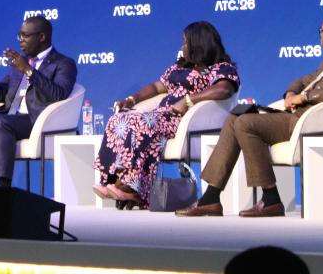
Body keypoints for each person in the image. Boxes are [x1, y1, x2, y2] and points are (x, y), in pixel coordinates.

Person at [178, 11, 323, 217]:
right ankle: (211, 198)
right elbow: (304, 80)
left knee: (245, 123)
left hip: (311, 122)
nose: (320, 35)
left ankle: (271, 199)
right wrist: (291, 93)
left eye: (322, 31)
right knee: (235, 117)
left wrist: (304, 97)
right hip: (296, 117)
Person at [93, 21, 239, 209]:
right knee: (118, 119)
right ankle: (113, 180)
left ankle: (130, 186)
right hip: (161, 115)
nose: (182, 47)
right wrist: (132, 99)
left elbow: (224, 89)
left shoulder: (221, 68)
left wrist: (188, 100)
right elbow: (157, 87)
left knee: (142, 123)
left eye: (186, 42)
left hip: (184, 119)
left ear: (199, 44)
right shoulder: (179, 67)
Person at [0, 16, 77, 187]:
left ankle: (3, 187)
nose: (20, 40)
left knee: (2, 123)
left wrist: (29, 71)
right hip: (9, 116)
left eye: (25, 36)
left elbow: (58, 94)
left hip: (36, 120)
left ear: (41, 37)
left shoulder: (63, 63)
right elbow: (2, 95)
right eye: (19, 35)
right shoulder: (21, 61)